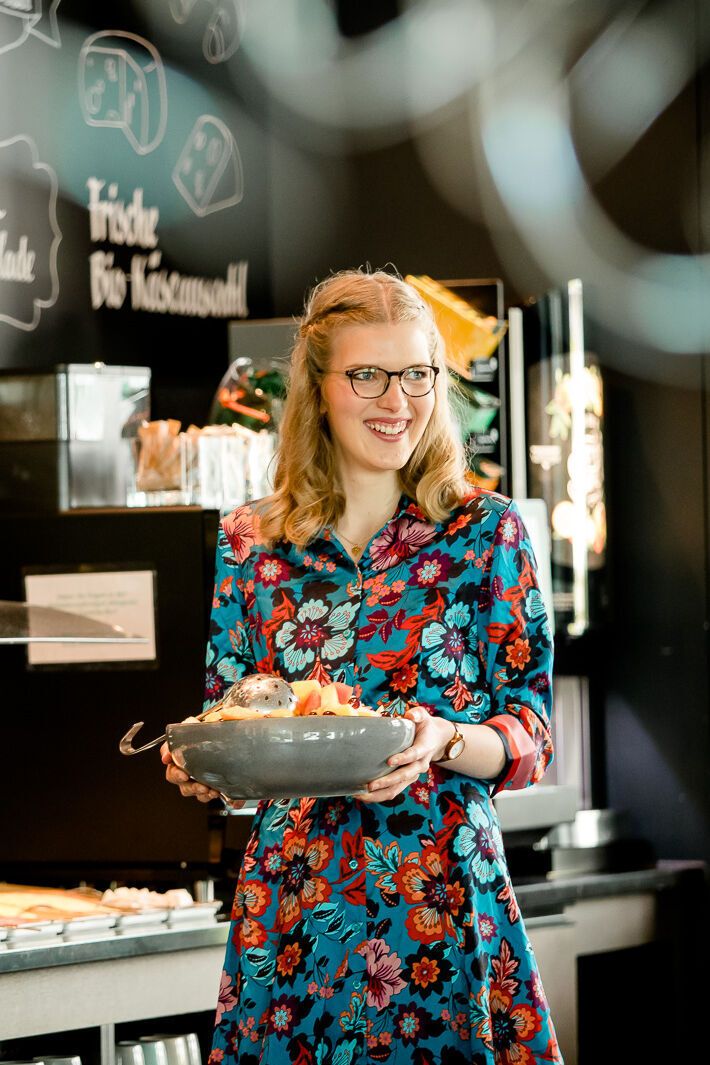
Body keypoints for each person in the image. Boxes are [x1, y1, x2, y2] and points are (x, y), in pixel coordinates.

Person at [162, 268, 562, 1064]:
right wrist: (205, 768)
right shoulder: (252, 544)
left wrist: (442, 737)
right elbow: (231, 716)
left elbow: (531, 737)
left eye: (417, 374)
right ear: (318, 386)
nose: (398, 400)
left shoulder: (487, 532)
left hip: (442, 900)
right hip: (296, 910)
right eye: (369, 374)